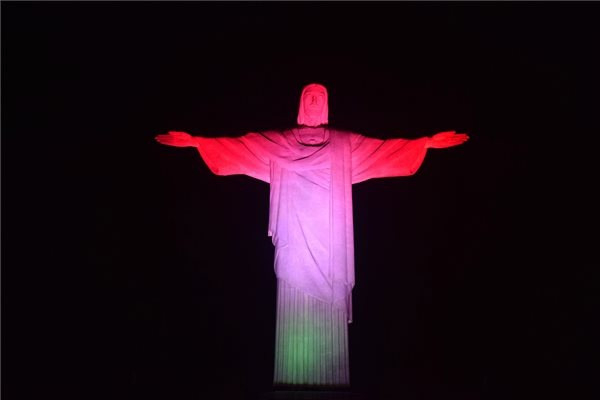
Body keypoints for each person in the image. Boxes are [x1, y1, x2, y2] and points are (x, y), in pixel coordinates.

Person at [155, 83, 468, 387]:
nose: (315, 101)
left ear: (327, 104)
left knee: (328, 302)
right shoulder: (280, 141)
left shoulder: (344, 143)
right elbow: (241, 146)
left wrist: (424, 144)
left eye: (320, 96)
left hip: (331, 240)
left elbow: (383, 150)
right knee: (292, 282)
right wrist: (198, 142)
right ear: (301, 104)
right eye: (310, 96)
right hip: (294, 235)